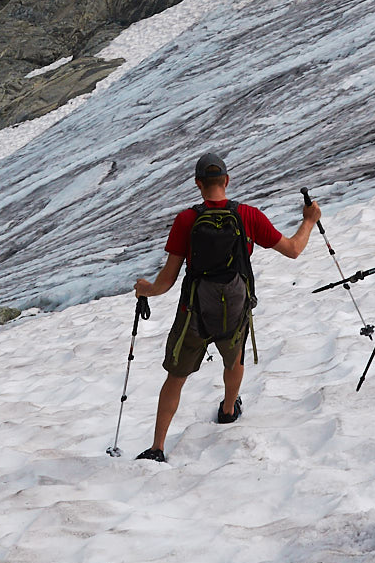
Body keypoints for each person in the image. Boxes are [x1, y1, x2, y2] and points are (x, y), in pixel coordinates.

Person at [129, 150, 317, 461]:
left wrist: (144, 290)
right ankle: (229, 410)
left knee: (176, 376)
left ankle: (158, 447)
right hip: (235, 306)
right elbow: (294, 249)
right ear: (226, 181)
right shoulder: (248, 216)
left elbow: (166, 281)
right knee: (234, 357)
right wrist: (309, 221)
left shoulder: (187, 220)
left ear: (197, 184)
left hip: (195, 310)